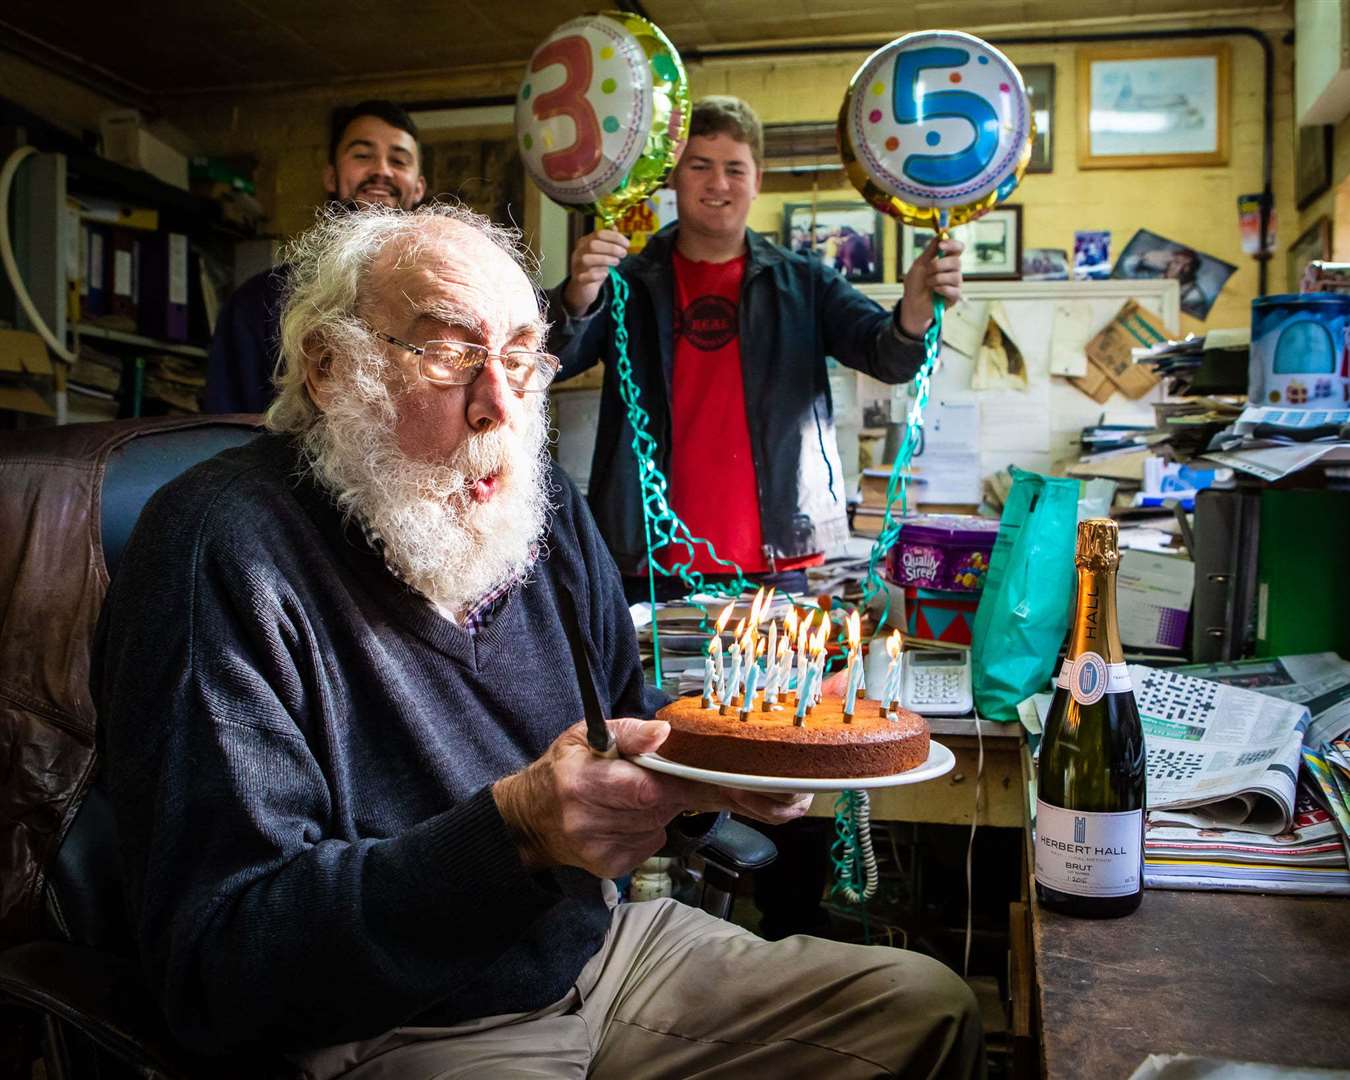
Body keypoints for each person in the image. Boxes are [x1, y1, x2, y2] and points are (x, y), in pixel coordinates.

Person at [94, 203, 984, 1078]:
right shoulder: (221, 549)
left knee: (926, 1007)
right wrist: (516, 831)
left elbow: (629, 734)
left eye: (521, 359)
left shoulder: (542, 508)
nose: (498, 407)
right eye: (448, 354)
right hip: (402, 1026)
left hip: (602, 951)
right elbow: (220, 965)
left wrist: (727, 771)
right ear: (331, 369)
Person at [546, 95, 963, 604]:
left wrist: (917, 310)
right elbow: (550, 362)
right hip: (646, 564)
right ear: (674, 177)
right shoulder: (627, 282)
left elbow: (889, 355)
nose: (718, 183)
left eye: (734, 169)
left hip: (776, 562)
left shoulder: (806, 283)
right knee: (652, 689)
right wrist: (577, 296)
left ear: (757, 180)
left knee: (779, 689)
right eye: (700, 166)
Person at [203, 99, 427, 414]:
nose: (381, 170)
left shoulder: (436, 303)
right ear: (331, 177)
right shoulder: (258, 302)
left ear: (418, 188)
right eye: (363, 155)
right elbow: (224, 431)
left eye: (399, 160)